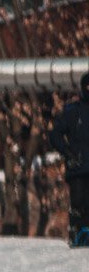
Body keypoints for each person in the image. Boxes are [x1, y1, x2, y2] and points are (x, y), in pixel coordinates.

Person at [50, 72, 89, 248]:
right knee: (79, 203)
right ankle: (79, 234)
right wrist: (67, 153)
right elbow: (55, 134)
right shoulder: (72, 111)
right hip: (78, 168)